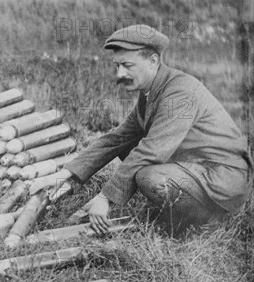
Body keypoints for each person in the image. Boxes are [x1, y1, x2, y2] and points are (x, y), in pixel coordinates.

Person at [33, 24, 251, 237]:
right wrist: (64, 174)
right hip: (198, 168)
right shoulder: (151, 92)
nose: (120, 73)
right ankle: (180, 210)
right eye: (117, 65)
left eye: (127, 65)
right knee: (128, 151)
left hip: (222, 176)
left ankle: (206, 220)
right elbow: (116, 139)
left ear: (153, 61)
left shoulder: (180, 93)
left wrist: (105, 197)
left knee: (149, 177)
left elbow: (151, 151)